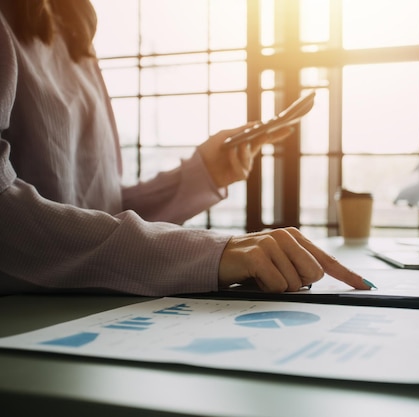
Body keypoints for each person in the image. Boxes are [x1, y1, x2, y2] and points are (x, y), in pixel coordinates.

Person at [0, 0, 372, 295]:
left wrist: (201, 175)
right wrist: (207, 252)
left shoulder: (72, 30)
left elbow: (96, 213)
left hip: (89, 307)